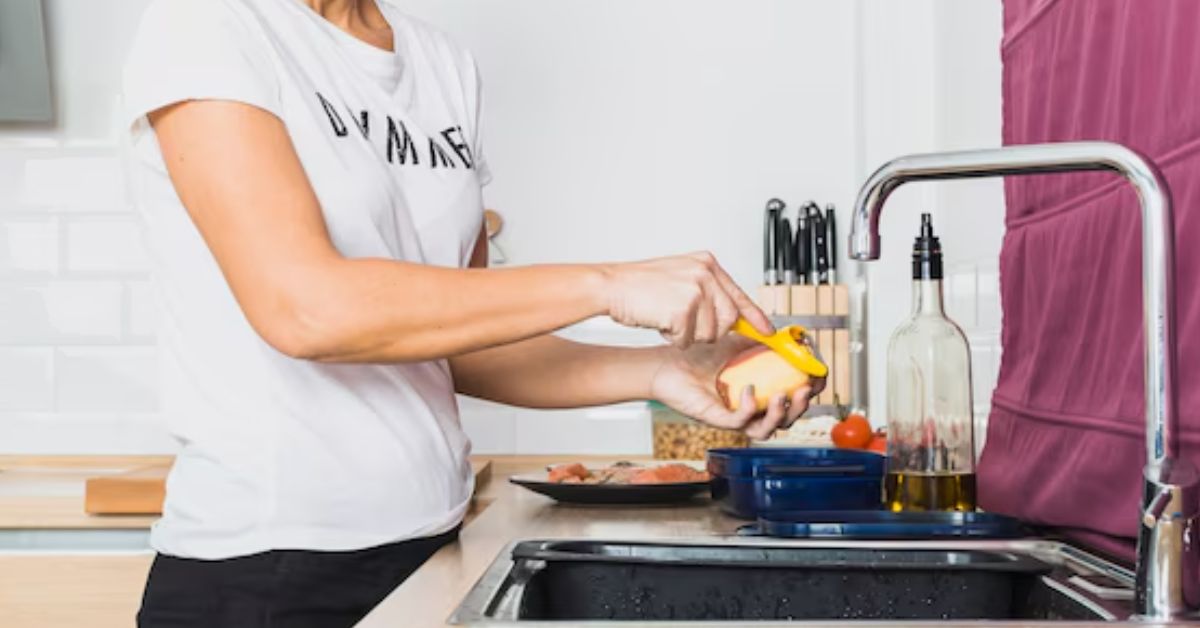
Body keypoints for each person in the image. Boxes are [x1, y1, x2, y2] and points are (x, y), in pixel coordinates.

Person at [123, 0, 819, 626]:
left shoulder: (439, 63)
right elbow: (306, 310)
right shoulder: (209, 25)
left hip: (429, 551)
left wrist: (664, 371)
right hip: (264, 575)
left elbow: (461, 343)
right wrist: (608, 283)